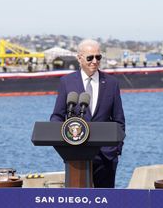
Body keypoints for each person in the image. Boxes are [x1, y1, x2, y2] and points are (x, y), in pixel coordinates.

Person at [50, 39, 126, 188]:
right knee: (79, 204)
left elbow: (119, 120)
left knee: (104, 204)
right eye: (90, 57)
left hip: (106, 156)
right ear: (79, 58)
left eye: (98, 57)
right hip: (76, 154)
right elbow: (57, 116)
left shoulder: (111, 83)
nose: (95, 61)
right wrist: (63, 143)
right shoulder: (67, 82)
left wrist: (116, 149)